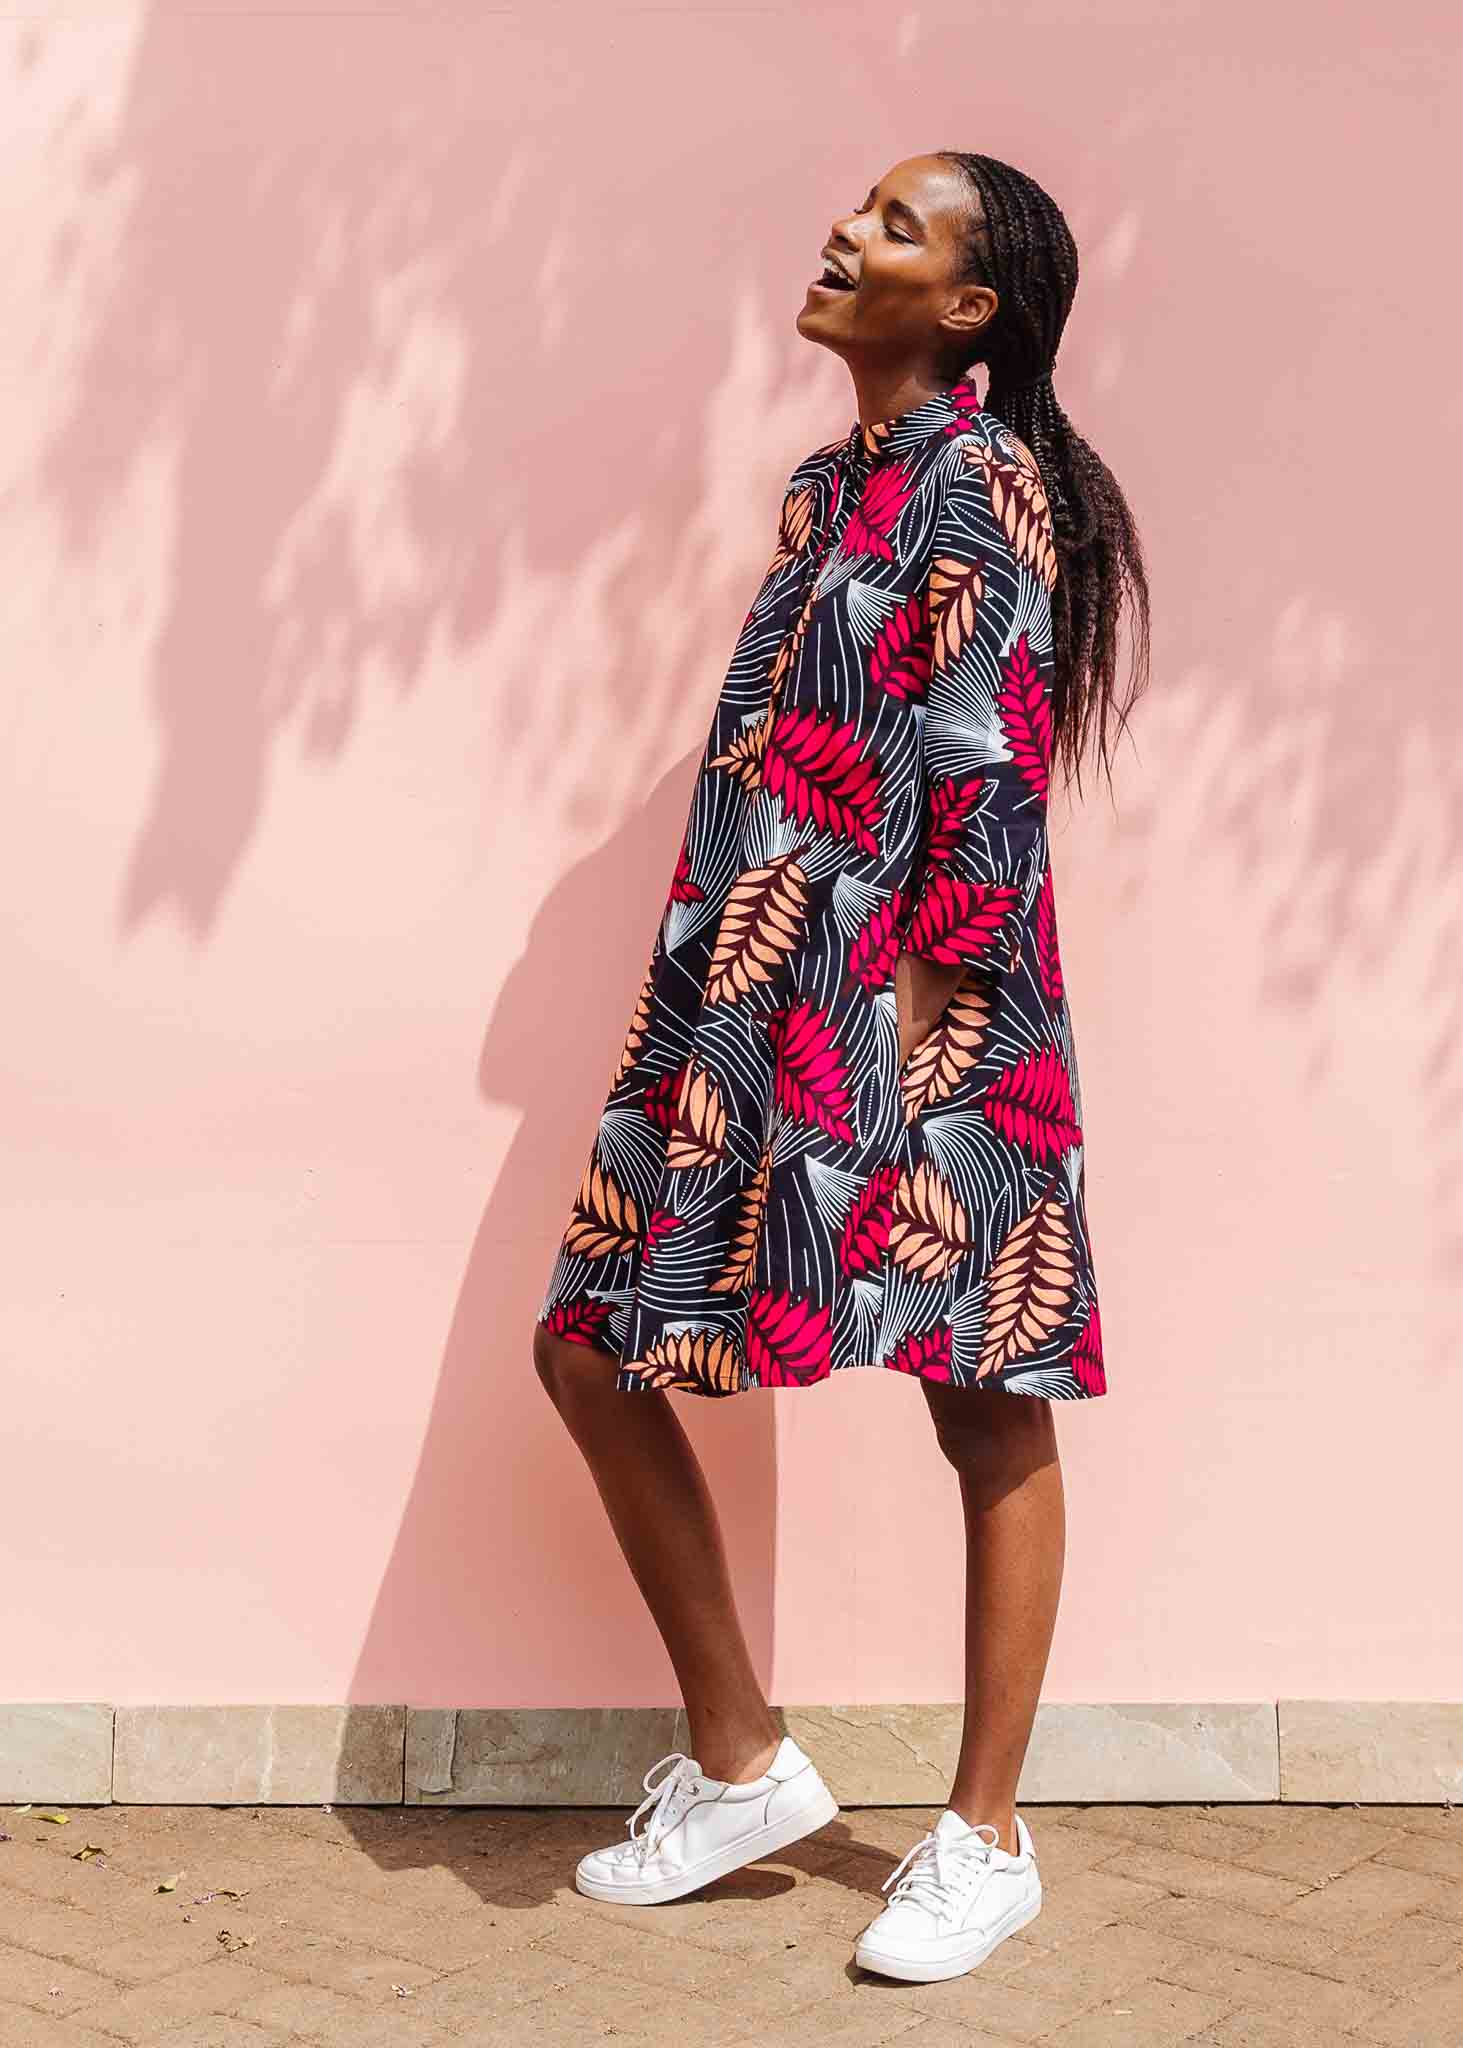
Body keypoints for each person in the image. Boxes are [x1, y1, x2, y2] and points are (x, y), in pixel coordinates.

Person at [532, 149, 1150, 1984]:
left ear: (968, 307)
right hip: (751, 992)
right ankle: (742, 1767)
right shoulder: (834, 491)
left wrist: (926, 1019)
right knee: (587, 1348)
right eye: (859, 210)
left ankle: (985, 1838)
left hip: (924, 1008)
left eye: (897, 229)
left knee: (982, 1386)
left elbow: (985, 765)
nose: (845, 234)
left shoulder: (983, 486)